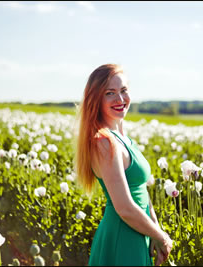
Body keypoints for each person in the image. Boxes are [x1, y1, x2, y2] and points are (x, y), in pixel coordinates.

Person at [75, 64, 173, 266]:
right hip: (123, 235)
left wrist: (154, 230)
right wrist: (162, 237)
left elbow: (141, 192)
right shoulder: (104, 142)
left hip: (140, 231)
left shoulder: (123, 138)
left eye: (123, 90)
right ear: (96, 99)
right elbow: (124, 207)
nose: (120, 100)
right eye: (110, 93)